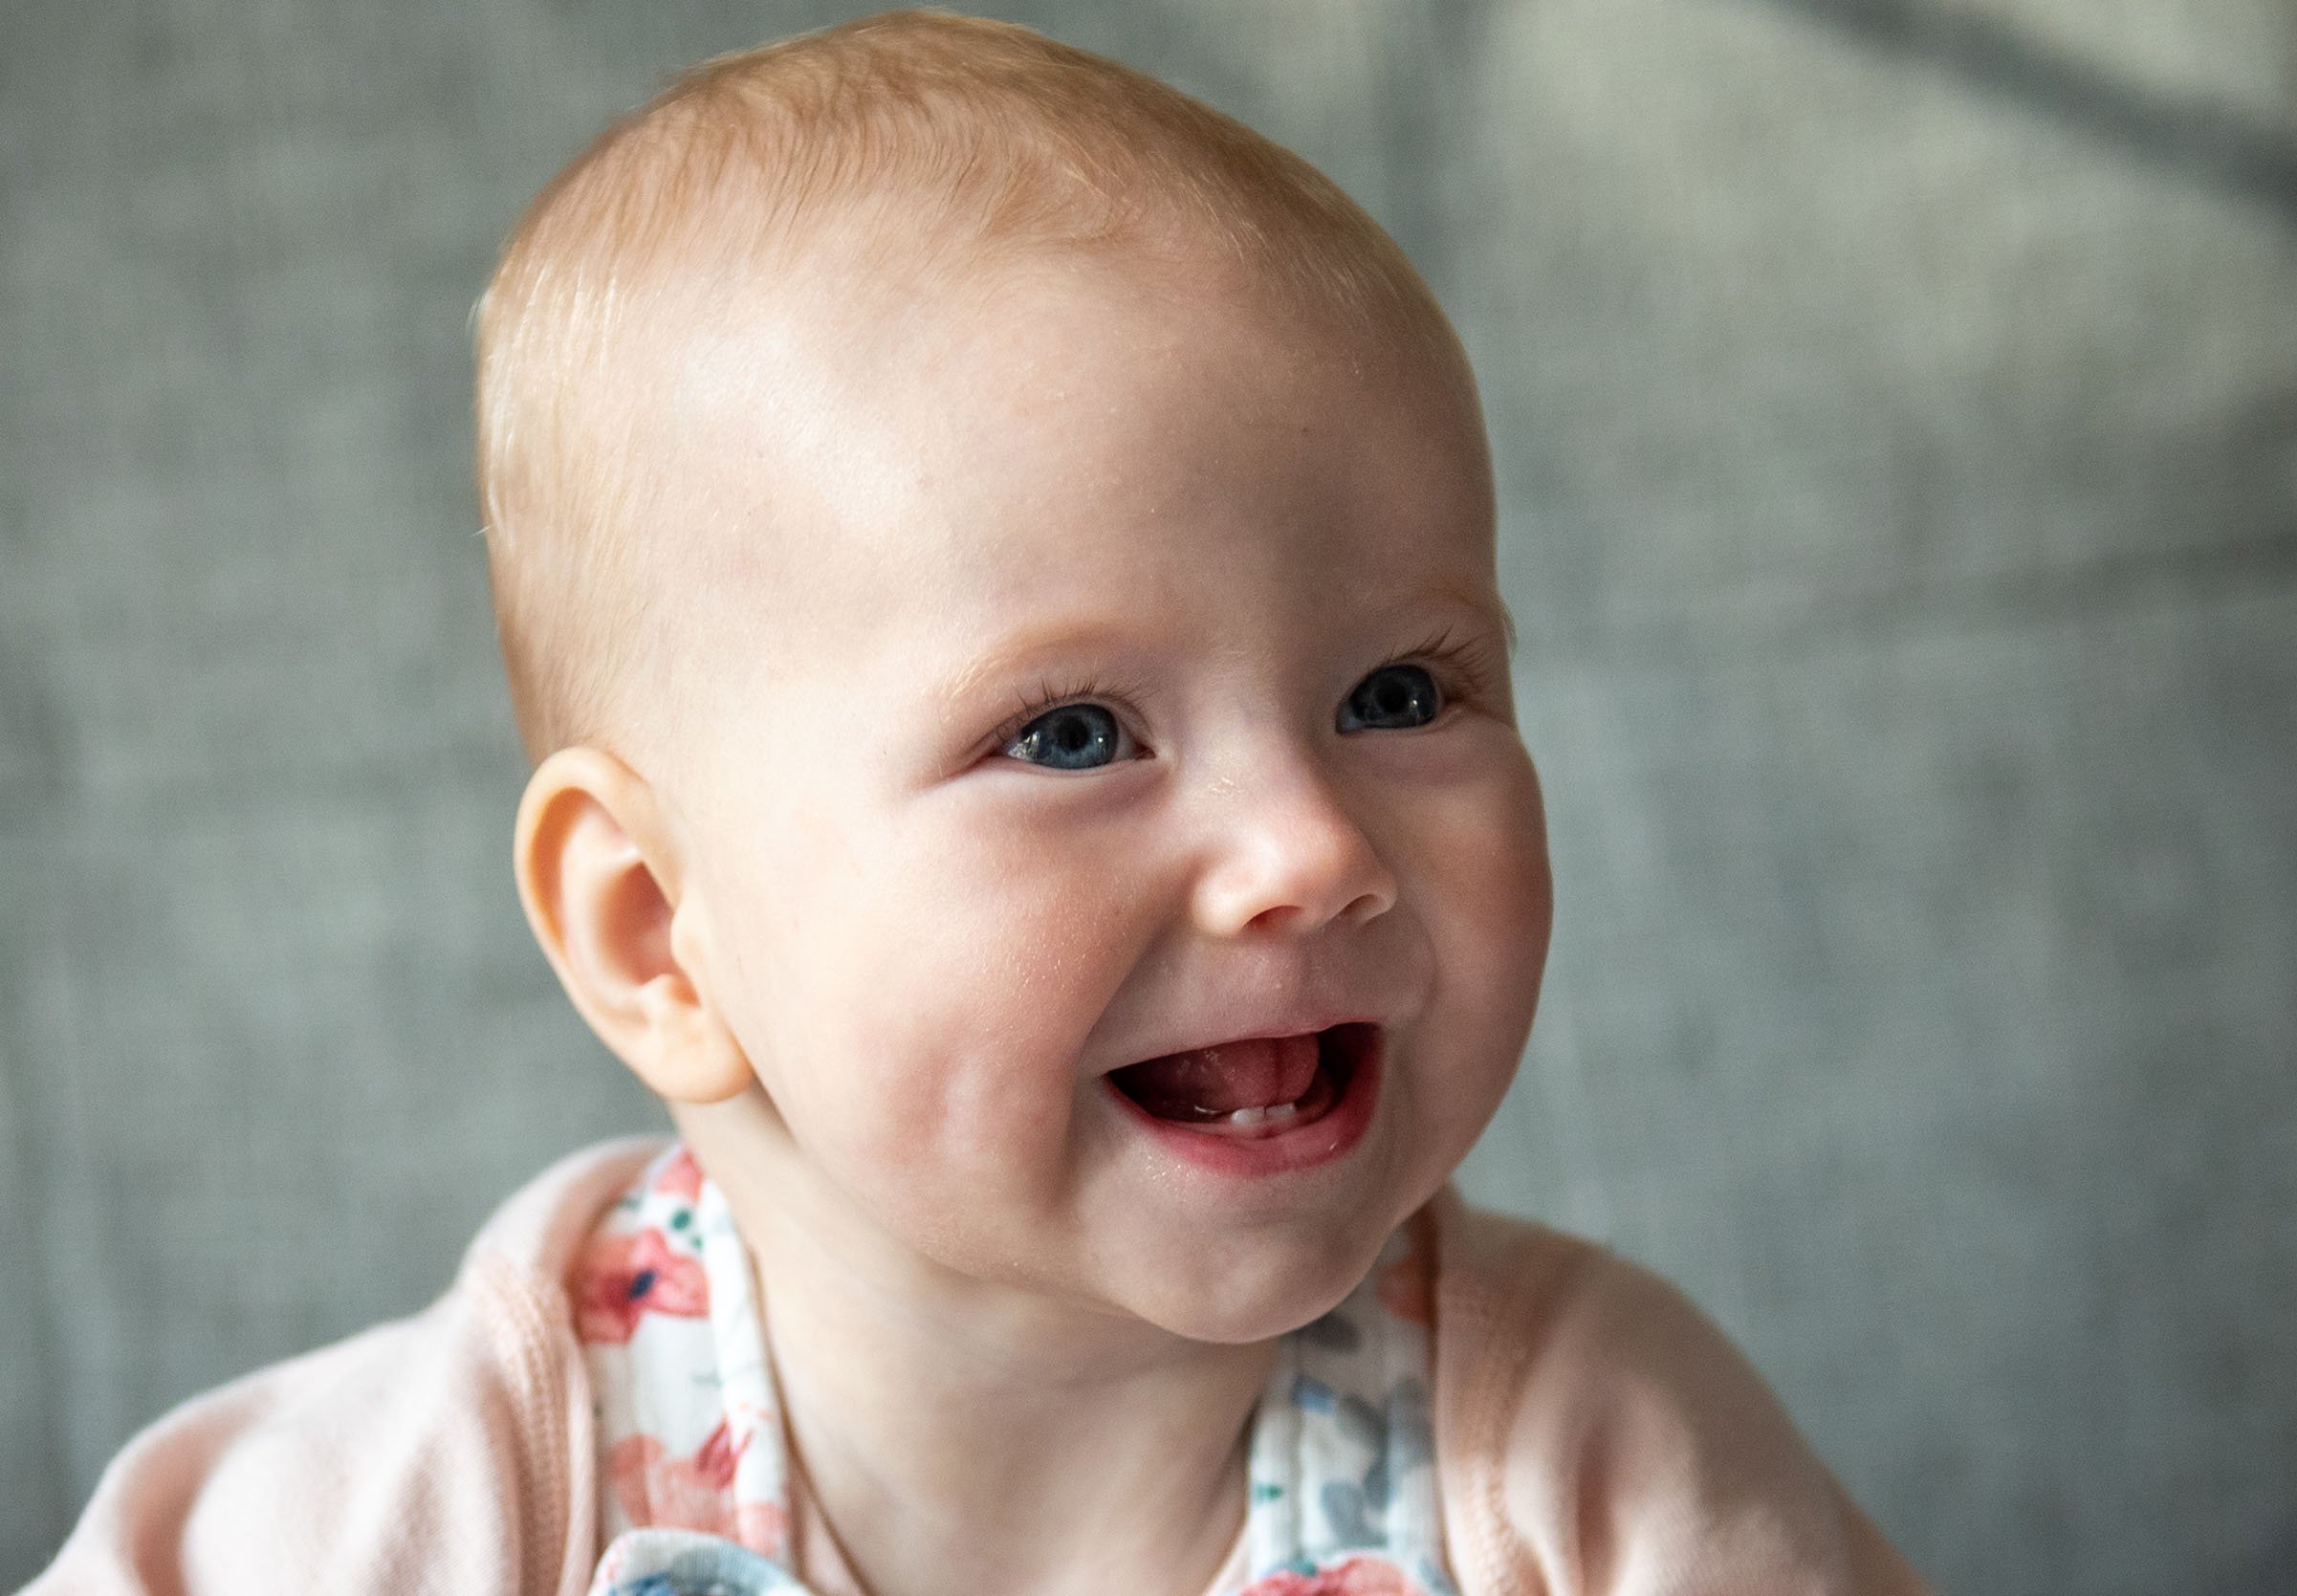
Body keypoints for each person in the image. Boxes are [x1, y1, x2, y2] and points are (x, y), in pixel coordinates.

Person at [32, 12, 1929, 1595]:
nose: (1308, 847)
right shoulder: (401, 1513)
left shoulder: (1591, 1468)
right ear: (653, 931)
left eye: (1395, 692)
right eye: (1074, 736)